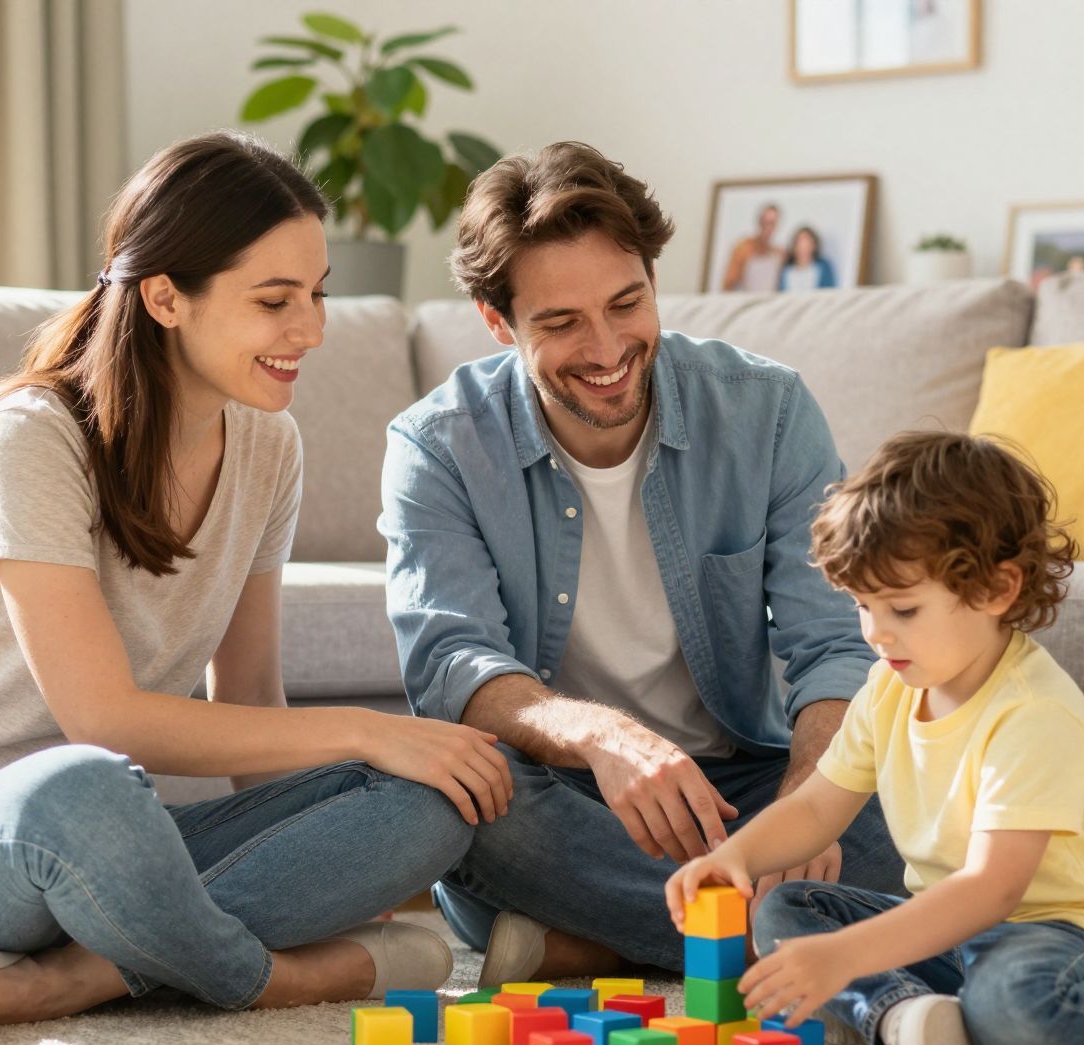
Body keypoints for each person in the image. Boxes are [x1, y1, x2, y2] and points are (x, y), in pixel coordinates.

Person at [0, 132, 510, 1040]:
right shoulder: (34, 438)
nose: (311, 330)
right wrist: (366, 728)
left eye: (316, 296)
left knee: (435, 796)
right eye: (275, 301)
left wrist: (363, 792)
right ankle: (266, 977)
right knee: (87, 786)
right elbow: (104, 723)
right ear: (165, 296)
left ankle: (74, 977)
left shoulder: (270, 447)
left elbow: (248, 703)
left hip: (129, 844)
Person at [380, 142, 905, 988]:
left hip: (751, 784)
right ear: (495, 321)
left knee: (922, 790)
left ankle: (600, 945)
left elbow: (834, 642)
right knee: (461, 808)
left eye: (628, 303)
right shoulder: (437, 447)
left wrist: (810, 804)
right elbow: (450, 663)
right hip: (573, 793)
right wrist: (604, 738)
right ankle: (791, 937)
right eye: (559, 323)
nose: (607, 347)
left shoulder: (767, 411)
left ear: (654, 281)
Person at [667, 430, 1084, 1045]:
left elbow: (994, 889)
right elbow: (818, 807)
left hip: (1063, 932)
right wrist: (734, 856)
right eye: (861, 606)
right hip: (950, 926)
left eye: (903, 609)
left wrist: (845, 957)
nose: (876, 633)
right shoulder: (888, 684)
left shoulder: (1034, 712)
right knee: (786, 910)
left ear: (997, 589)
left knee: (1015, 1018)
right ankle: (903, 1017)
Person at [721, 202, 785, 292]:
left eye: (772, 223)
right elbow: (728, 285)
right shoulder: (742, 248)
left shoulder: (779, 253)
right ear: (759, 222)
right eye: (765, 223)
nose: (768, 228)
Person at [778, 225, 837, 292]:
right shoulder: (786, 271)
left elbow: (830, 292)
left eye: (807, 241)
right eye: (800, 241)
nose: (803, 246)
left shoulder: (824, 268)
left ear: (814, 245)